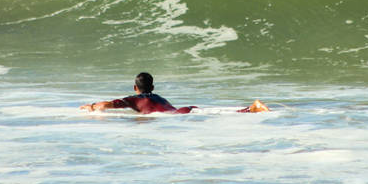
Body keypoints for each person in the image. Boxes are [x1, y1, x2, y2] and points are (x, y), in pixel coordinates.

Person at [80, 72, 269, 114]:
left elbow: (105, 105)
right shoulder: (159, 97)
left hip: (179, 115)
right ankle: (250, 108)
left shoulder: (132, 100)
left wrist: (91, 106)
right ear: (153, 88)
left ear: (135, 88)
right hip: (185, 110)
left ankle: (252, 109)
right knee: (220, 113)